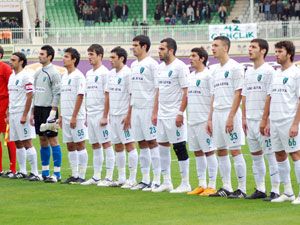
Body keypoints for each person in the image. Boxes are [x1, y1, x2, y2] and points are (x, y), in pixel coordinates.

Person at [207, 36, 247, 198]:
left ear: (225, 47)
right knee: (221, 150)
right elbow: (213, 95)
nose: (213, 48)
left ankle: (242, 188)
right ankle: (226, 187)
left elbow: (238, 93)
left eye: (216, 45)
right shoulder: (214, 70)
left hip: (231, 114)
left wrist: (231, 116)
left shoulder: (236, 67)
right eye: (212, 45)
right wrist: (209, 118)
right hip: (217, 114)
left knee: (235, 150)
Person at [261, 41, 300, 204]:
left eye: (279, 52)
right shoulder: (276, 73)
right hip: (275, 122)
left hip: (289, 121)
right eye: (275, 51)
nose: (276, 54)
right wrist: (268, 121)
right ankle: (288, 192)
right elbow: (271, 98)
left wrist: (295, 124)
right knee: (279, 155)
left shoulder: (296, 74)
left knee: (296, 154)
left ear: (289, 54)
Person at [242, 39, 280, 200]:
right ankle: (260, 188)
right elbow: (244, 95)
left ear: (263, 51)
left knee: (271, 155)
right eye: (249, 47)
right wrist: (243, 117)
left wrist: (266, 120)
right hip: (250, 121)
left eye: (253, 47)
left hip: (262, 121)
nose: (249, 50)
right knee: (256, 156)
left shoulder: (269, 71)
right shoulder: (249, 71)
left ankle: (276, 190)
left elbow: (270, 97)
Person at [152, 38, 191, 193]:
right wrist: (155, 112)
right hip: (162, 115)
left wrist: (180, 113)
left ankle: (185, 183)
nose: (159, 51)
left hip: (175, 114)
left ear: (171, 50)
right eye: (159, 48)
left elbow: (186, 92)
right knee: (162, 146)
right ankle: (166, 181)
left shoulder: (180, 67)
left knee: (179, 146)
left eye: (162, 49)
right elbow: (158, 91)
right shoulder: (160, 68)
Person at [81, 44, 115, 186]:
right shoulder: (88, 74)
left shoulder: (105, 73)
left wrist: (105, 115)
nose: (89, 57)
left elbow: (108, 96)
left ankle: (108, 176)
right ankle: (96, 176)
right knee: (95, 145)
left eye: (92, 54)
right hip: (91, 114)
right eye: (88, 54)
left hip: (101, 114)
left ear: (100, 56)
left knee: (106, 143)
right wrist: (87, 115)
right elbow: (87, 96)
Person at [130, 35, 161, 191]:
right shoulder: (134, 65)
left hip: (148, 109)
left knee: (152, 142)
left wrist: (155, 111)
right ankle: (145, 179)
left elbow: (157, 89)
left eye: (135, 45)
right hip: (136, 109)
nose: (133, 48)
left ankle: (156, 179)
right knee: (141, 143)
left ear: (144, 47)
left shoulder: (152, 64)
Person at [186, 47, 218, 196]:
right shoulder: (191, 75)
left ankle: (212, 185)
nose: (190, 58)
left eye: (193, 56)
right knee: (197, 152)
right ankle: (201, 184)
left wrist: (210, 119)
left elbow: (213, 97)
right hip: (191, 120)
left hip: (204, 120)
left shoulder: (209, 75)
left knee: (209, 151)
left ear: (202, 58)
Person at [105, 46, 138, 188]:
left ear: (121, 59)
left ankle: (132, 178)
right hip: (113, 116)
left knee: (129, 144)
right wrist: (106, 115)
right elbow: (108, 95)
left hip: (124, 116)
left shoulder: (128, 73)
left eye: (113, 57)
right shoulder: (111, 74)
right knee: (117, 146)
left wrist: (129, 115)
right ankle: (121, 177)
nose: (110, 60)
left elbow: (132, 95)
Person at [30, 45, 62, 183]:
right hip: (38, 109)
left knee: (53, 140)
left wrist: (53, 111)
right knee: (42, 140)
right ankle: (44, 172)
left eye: (42, 54)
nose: (39, 56)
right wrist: (32, 112)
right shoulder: (37, 72)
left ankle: (57, 174)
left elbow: (57, 93)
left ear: (49, 56)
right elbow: (34, 93)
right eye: (39, 53)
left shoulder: (54, 73)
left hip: (49, 110)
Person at [7, 52, 39, 180]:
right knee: (17, 142)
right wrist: (8, 112)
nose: (10, 62)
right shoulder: (12, 77)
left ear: (21, 62)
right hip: (13, 113)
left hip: (22, 113)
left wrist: (25, 114)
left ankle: (35, 173)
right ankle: (22, 171)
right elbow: (11, 96)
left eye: (13, 60)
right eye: (10, 59)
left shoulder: (26, 76)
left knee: (27, 141)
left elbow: (30, 95)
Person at [60, 48, 88, 184]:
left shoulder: (79, 76)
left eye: (66, 56)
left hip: (76, 117)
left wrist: (74, 116)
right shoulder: (64, 76)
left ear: (74, 60)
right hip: (65, 116)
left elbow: (80, 96)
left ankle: (82, 176)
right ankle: (74, 174)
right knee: (70, 145)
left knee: (80, 144)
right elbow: (63, 97)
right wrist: (61, 115)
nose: (63, 59)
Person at [0, 45, 16, 178]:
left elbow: (11, 90)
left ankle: (13, 168)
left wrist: (8, 108)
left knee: (8, 138)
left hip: (4, 105)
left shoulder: (5, 69)